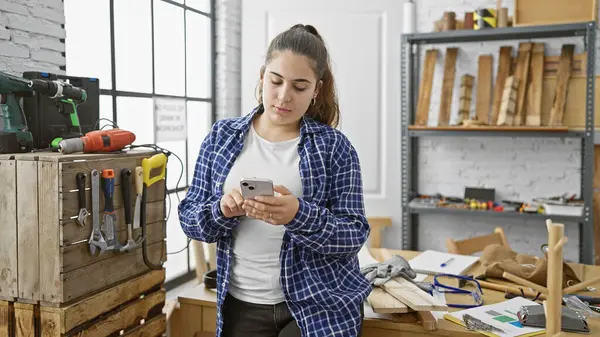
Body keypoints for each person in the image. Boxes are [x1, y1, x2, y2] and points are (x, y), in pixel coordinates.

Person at [178, 23, 371, 337]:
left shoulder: (335, 147)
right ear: (262, 77)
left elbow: (354, 235)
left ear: (316, 90)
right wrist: (222, 211)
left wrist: (298, 214)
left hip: (320, 306)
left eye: (299, 86)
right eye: (276, 81)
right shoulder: (221, 137)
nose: (284, 96)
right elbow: (189, 220)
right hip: (243, 306)